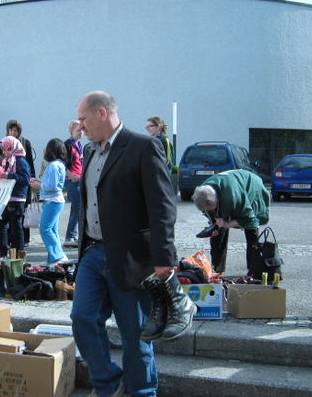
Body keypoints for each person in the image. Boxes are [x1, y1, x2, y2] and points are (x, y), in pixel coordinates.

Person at [70, 91, 195, 397]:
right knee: (82, 317)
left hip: (131, 259)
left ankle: (142, 391)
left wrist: (164, 258)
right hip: (93, 253)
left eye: (84, 119)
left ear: (102, 113)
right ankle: (107, 385)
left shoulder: (143, 146)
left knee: (135, 335)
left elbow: (163, 207)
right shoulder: (89, 152)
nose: (80, 126)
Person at [192, 169, 270, 275]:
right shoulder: (202, 192)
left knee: (251, 232)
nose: (211, 212)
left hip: (251, 185)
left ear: (217, 200)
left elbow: (249, 219)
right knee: (218, 231)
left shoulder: (233, 197)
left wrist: (227, 224)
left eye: (212, 209)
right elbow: (212, 214)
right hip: (230, 186)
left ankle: (253, 270)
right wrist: (214, 226)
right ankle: (217, 269)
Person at [29, 138, 69, 267]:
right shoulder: (60, 164)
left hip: (52, 201)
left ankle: (59, 256)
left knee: (45, 229)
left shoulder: (53, 166)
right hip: (57, 200)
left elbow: (51, 186)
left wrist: (38, 185)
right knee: (52, 230)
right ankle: (54, 258)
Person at [0, 136, 31, 258]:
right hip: (6, 197)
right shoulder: (7, 160)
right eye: (3, 150)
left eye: (6, 149)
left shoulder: (20, 161)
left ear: (13, 148)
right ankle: (3, 252)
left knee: (16, 227)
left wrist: (9, 175)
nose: (4, 152)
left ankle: (18, 254)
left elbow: (25, 179)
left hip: (17, 198)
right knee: (1, 225)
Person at [2, 120, 36, 245]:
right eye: (11, 130)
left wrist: (31, 180)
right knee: (8, 220)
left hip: (20, 185)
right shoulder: (5, 142)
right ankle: (12, 243)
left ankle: (22, 243)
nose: (13, 132)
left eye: (15, 130)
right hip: (9, 187)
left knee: (21, 215)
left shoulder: (24, 144)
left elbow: (29, 165)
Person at [63, 120, 83, 248]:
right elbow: (63, 162)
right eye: (78, 130)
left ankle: (72, 236)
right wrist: (71, 176)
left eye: (82, 130)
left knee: (76, 209)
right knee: (78, 209)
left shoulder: (78, 144)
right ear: (71, 131)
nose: (81, 132)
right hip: (72, 181)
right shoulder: (68, 144)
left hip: (79, 179)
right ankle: (70, 237)